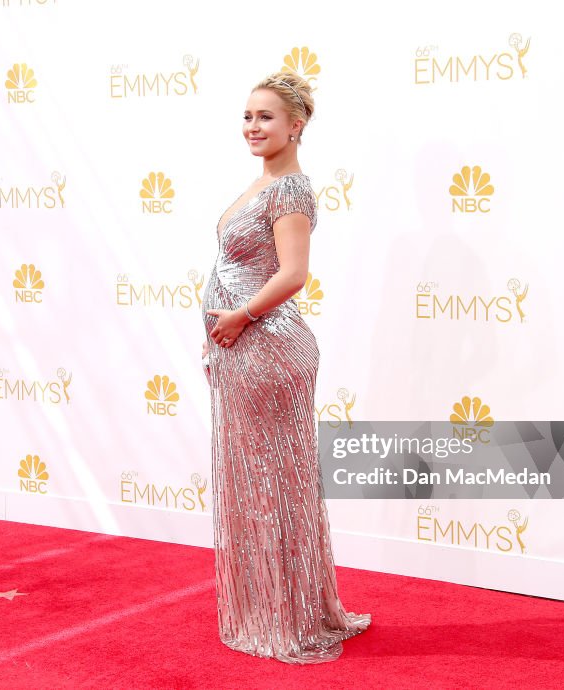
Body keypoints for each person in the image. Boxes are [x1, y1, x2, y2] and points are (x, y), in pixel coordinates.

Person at [199, 70, 371, 664]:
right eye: (247, 116)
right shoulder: (259, 184)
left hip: (270, 347)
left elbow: (293, 274)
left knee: (273, 483)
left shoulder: (290, 191)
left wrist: (239, 318)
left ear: (296, 126)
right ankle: (274, 605)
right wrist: (222, 332)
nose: (252, 126)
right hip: (242, 347)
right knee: (257, 481)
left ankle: (286, 614)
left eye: (265, 117)